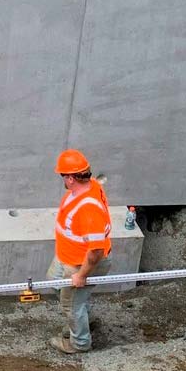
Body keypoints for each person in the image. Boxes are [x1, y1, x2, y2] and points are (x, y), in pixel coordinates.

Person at [49, 149, 112, 355]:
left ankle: (79, 343)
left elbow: (95, 252)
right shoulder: (88, 186)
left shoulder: (88, 210)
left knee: (70, 306)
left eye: (63, 176)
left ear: (70, 178)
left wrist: (81, 276)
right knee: (54, 282)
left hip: (80, 264)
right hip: (67, 256)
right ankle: (84, 316)